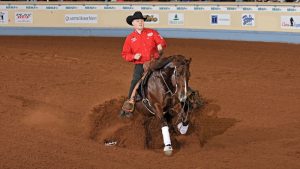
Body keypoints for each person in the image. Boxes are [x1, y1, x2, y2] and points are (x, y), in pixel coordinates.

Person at [120, 11, 167, 116]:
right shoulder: (130, 38)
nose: (140, 22)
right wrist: (133, 56)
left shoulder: (152, 32)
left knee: (170, 71)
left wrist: (160, 45)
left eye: (141, 20)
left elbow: (161, 41)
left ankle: (187, 93)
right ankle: (130, 103)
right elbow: (125, 54)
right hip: (141, 64)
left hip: (155, 61)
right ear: (133, 23)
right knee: (135, 80)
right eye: (138, 21)